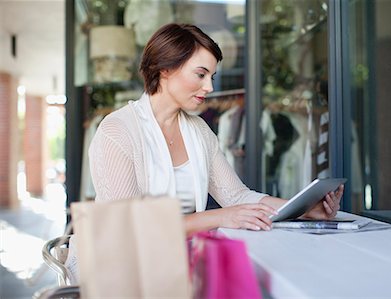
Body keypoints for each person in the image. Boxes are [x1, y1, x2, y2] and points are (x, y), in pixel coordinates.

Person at [65, 23, 343, 282]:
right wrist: (220, 217)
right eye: (200, 74)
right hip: (118, 272)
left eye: (211, 76)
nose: (209, 87)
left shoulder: (198, 130)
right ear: (165, 70)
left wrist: (303, 209)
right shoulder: (117, 131)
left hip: (174, 262)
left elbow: (236, 196)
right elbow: (129, 228)